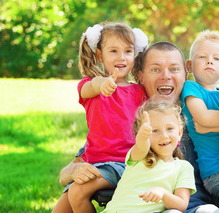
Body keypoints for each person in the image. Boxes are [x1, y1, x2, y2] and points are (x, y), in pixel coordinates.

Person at [56, 41, 219, 213]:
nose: (166, 76)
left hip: (197, 207)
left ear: (185, 75)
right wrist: (72, 170)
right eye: (155, 69)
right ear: (141, 77)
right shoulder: (131, 125)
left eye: (174, 69)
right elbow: (71, 170)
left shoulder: (205, 114)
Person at [52, 21, 149, 213]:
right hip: (92, 162)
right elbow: (90, 87)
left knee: (77, 193)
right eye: (113, 51)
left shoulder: (140, 91)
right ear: (99, 55)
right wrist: (101, 84)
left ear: (135, 54)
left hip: (123, 163)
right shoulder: (91, 87)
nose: (121, 57)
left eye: (128, 51)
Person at [103, 100, 196, 212]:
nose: (164, 135)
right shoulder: (139, 157)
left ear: (180, 133)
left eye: (170, 128)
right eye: (155, 131)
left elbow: (181, 205)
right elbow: (142, 146)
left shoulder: (183, 167)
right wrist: (143, 137)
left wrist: (163, 194)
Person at [180, 30, 219, 203]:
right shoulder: (192, 89)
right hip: (217, 173)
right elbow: (204, 118)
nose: (210, 60)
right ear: (189, 66)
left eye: (217, 58)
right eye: (202, 57)